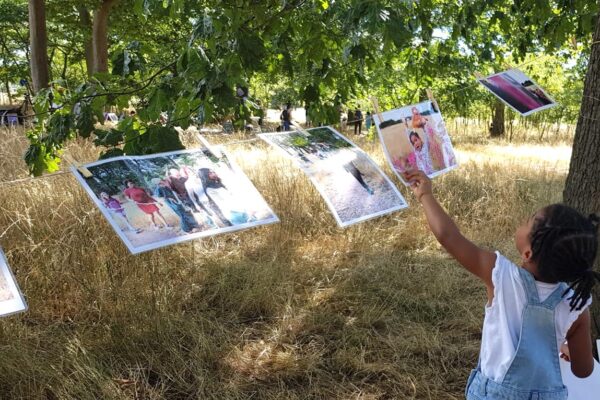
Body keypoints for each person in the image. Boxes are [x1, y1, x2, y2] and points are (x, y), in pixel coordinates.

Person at [404, 170, 599, 400]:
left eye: (528, 221)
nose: (523, 221)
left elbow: (448, 236)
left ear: (527, 253)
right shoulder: (576, 306)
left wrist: (425, 195)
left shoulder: (500, 275)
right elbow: (583, 370)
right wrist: (563, 348)